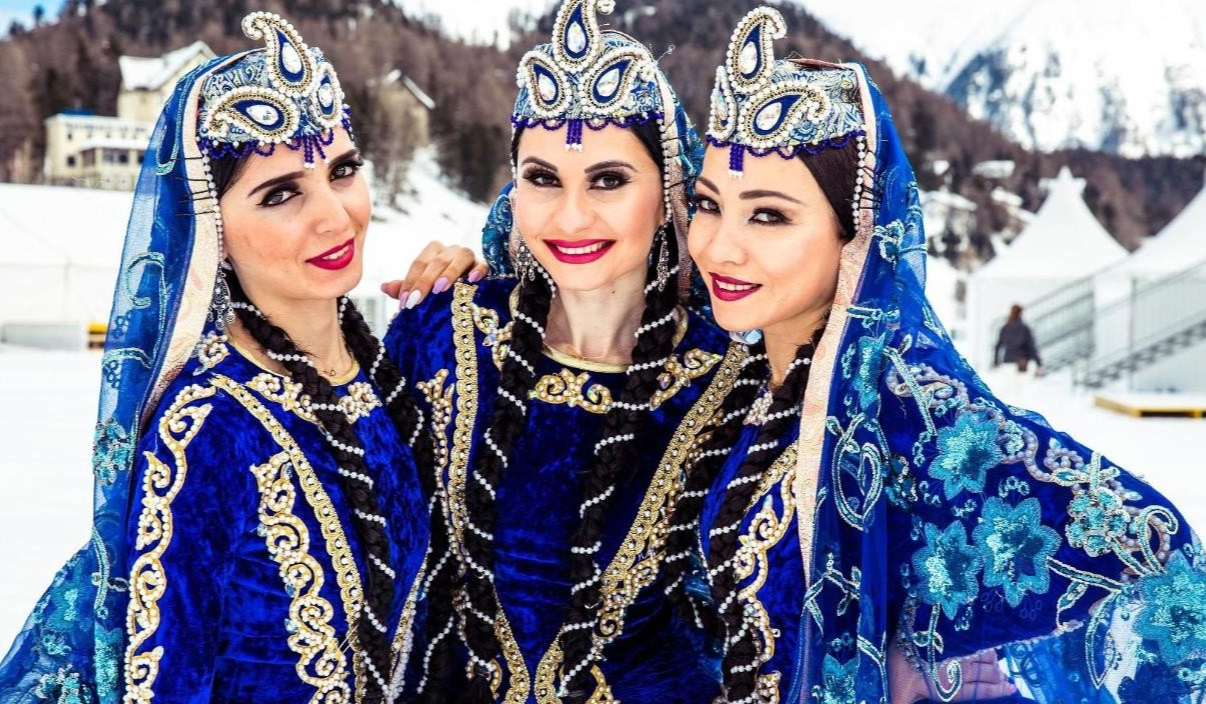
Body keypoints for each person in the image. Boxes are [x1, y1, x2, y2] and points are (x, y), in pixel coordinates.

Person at [657, 7, 1206, 704]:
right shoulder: (748, 386)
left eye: (769, 215)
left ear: (855, 235)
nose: (718, 246)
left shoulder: (908, 406)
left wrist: (929, 674)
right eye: (709, 204)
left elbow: (1157, 568)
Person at [0, 14, 476, 703]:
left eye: (343, 171)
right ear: (211, 227)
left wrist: (478, 277)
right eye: (281, 193)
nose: (334, 216)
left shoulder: (382, 375)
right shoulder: (209, 428)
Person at [382, 1, 741, 701]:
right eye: (543, 179)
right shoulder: (439, 335)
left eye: (609, 180)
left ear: (668, 195)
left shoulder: (731, 382)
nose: (571, 217)